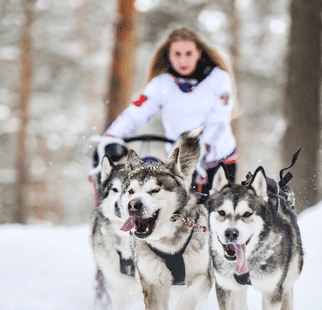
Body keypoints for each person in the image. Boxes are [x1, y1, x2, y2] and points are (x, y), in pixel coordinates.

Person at [101, 27, 238, 197]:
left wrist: (199, 149)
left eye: (188, 53)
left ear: (198, 53)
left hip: (219, 160)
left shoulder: (218, 79)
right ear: (169, 55)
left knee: (217, 214)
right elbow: (136, 113)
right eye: (177, 54)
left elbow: (218, 120)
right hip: (179, 162)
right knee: (180, 216)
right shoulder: (161, 84)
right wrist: (112, 138)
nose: (183, 60)